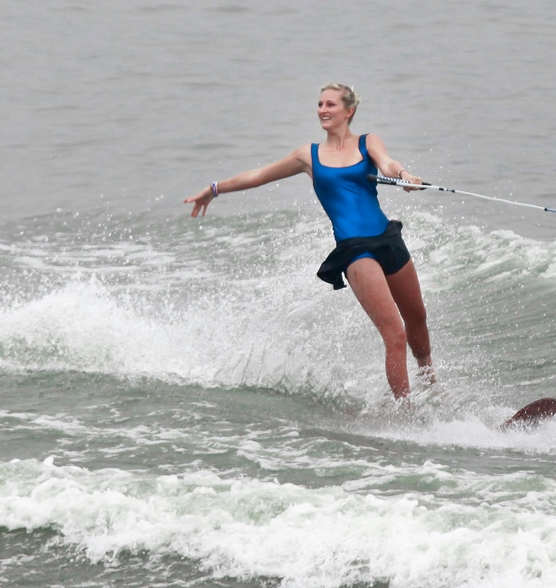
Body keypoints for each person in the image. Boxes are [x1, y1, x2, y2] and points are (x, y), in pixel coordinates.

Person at [184, 83, 435, 401]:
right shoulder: (308, 156)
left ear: (349, 110)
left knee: (417, 319)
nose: (323, 110)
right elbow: (259, 175)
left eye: (330, 104)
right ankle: (408, 413)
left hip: (387, 238)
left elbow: (387, 164)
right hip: (355, 250)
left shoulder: (367, 142)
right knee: (395, 333)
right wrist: (214, 188)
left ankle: (431, 384)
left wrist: (405, 176)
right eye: (319, 104)